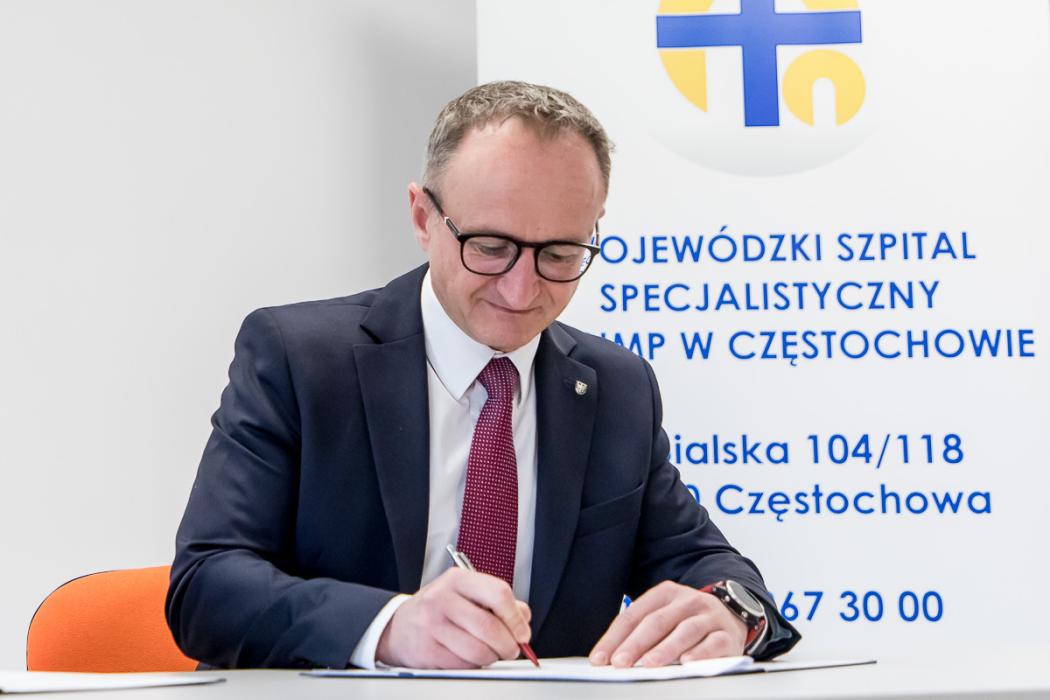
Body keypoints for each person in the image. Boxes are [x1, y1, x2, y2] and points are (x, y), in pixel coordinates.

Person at [166, 80, 800, 670]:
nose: (522, 290)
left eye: (560, 254)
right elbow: (206, 586)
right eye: (491, 248)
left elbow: (702, 563)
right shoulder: (300, 359)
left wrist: (731, 614)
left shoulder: (617, 388)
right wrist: (388, 627)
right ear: (423, 218)